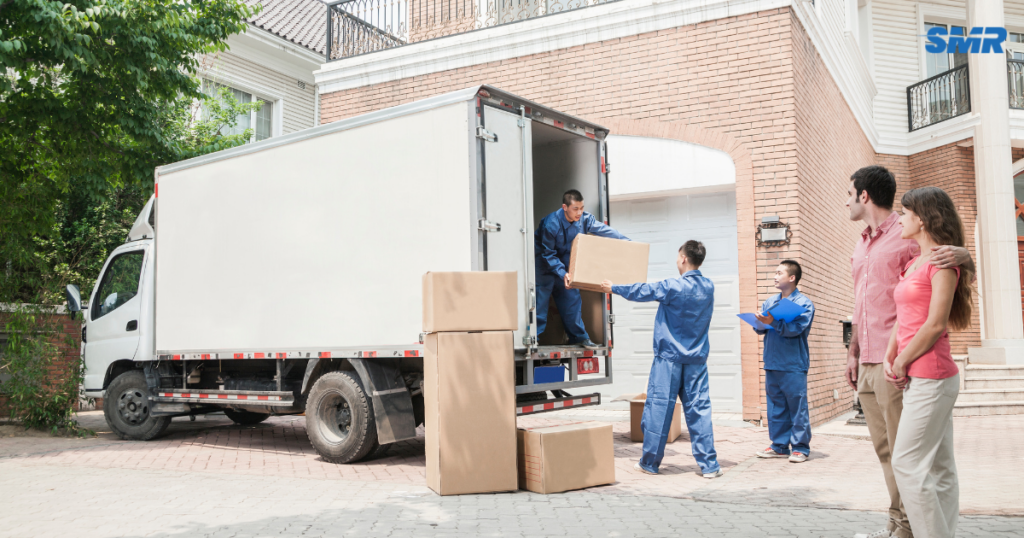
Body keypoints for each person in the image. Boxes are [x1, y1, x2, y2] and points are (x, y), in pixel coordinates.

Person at [844, 166, 973, 538]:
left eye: (848, 193)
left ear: (864, 195)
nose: (846, 200)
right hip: (873, 358)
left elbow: (945, 271)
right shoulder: (862, 243)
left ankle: (907, 529)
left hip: (911, 365)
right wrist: (853, 351)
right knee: (892, 454)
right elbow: (863, 302)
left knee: (911, 461)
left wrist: (965, 255)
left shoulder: (907, 237)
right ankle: (904, 525)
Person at [885, 187, 972, 538]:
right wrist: (893, 353)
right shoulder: (913, 263)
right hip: (919, 375)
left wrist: (903, 360)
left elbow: (935, 324)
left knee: (906, 463)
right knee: (939, 467)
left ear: (921, 218)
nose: (900, 219)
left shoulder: (943, 263)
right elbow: (904, 316)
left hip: (932, 375)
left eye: (904, 214)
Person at [600, 240, 722, 479]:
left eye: (678, 256)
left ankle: (650, 463)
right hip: (696, 360)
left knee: (659, 410)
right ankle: (710, 466)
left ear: (684, 258)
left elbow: (643, 291)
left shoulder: (673, 286)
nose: (677, 260)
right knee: (699, 411)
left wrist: (613, 288)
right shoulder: (708, 287)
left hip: (669, 360)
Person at [535, 189, 628, 348]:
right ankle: (534, 339)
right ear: (565, 207)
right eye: (575, 209)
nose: (579, 212)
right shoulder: (551, 224)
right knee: (540, 301)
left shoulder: (585, 219)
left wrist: (627, 242)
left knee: (572, 298)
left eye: (582, 208)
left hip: (565, 261)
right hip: (544, 263)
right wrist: (562, 273)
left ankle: (579, 338)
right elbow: (548, 253)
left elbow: (605, 230)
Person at [751, 260, 815, 463]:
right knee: (776, 406)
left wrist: (773, 322)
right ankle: (779, 446)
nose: (774, 276)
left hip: (793, 363)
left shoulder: (804, 304)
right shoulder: (770, 302)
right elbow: (760, 329)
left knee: (797, 407)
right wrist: (759, 323)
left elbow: (796, 330)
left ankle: (800, 448)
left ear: (792, 277)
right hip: (772, 362)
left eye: (779, 273)